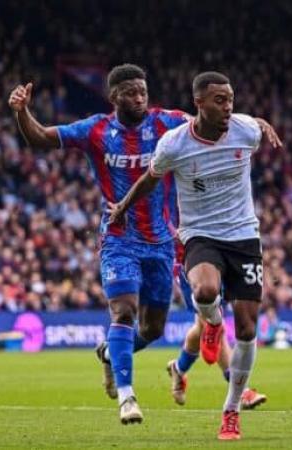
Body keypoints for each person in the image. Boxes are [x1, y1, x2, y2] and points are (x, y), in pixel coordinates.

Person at [9, 64, 278, 425]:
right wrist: (21, 111)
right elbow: (41, 138)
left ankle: (110, 354)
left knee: (157, 328)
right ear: (113, 97)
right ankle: (128, 397)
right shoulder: (96, 130)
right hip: (120, 237)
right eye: (131, 93)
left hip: (166, 241)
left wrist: (254, 122)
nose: (139, 98)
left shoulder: (166, 123)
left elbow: (214, 121)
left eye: (143, 92)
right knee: (123, 312)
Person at [108, 71, 281, 440]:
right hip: (200, 234)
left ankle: (231, 411)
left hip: (245, 236)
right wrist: (122, 205)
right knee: (204, 292)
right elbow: (151, 178)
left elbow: (256, 123)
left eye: (231, 99)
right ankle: (213, 325)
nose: (228, 106)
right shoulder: (175, 144)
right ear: (199, 103)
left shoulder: (245, 130)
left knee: (249, 329)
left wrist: (263, 124)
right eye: (220, 100)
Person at [166, 256, 267, 410]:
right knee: (212, 324)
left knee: (202, 326)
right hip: (192, 260)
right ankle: (242, 391)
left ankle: (178, 368)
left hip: (220, 257)